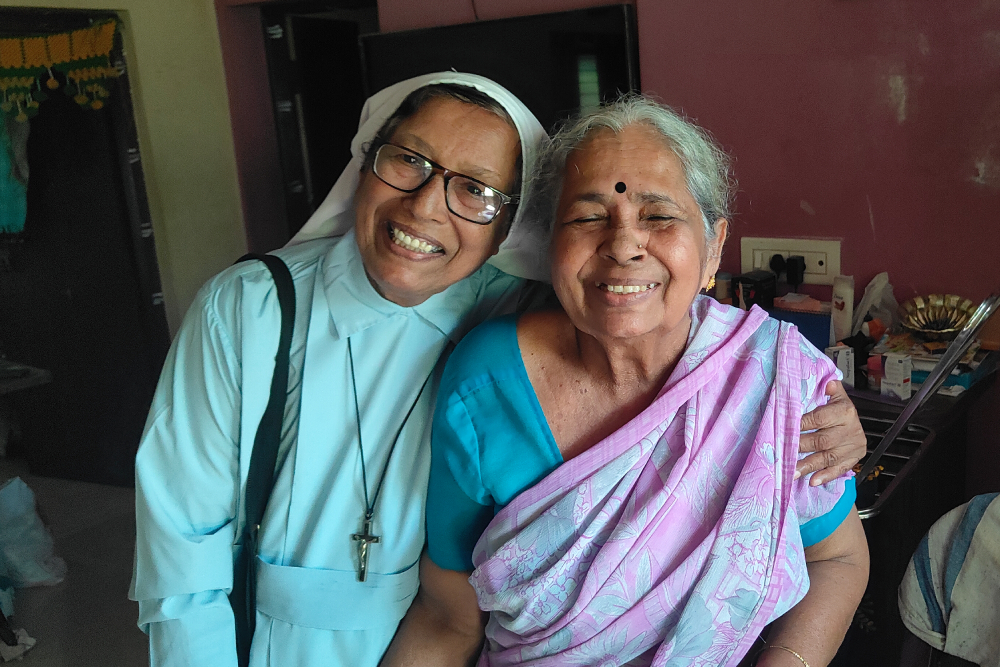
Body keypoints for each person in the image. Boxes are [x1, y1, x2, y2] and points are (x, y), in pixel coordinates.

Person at [130, 74, 865, 667]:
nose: (427, 207)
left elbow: (831, 547)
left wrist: (829, 411)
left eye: (476, 190)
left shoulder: (765, 378)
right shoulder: (259, 309)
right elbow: (182, 548)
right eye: (408, 161)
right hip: (272, 636)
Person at [384, 96, 870, 667]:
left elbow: (837, 560)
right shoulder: (486, 379)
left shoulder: (774, 379)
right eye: (588, 217)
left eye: (659, 216)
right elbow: (447, 615)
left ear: (713, 248)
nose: (622, 244)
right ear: (550, 246)